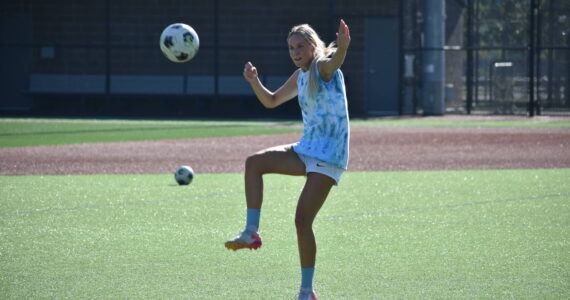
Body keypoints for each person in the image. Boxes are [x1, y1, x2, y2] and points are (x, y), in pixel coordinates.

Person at [225, 19, 351, 300]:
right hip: (306, 149)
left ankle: (307, 291)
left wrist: (342, 48)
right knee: (254, 162)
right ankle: (251, 232)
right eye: (291, 48)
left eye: (300, 46)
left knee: (302, 221)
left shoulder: (321, 66)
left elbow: (334, 64)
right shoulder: (301, 75)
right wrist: (254, 81)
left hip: (329, 155)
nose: (295, 52)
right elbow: (270, 101)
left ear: (313, 45)